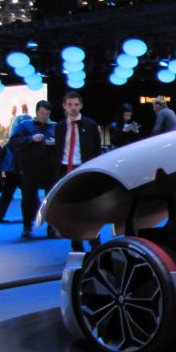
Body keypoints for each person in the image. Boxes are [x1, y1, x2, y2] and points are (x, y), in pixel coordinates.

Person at [54, 91, 103, 250]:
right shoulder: (60, 126)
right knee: (71, 209)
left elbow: (97, 150)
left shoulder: (90, 125)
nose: (73, 108)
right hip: (65, 170)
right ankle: (77, 246)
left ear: (81, 106)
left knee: (90, 208)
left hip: (84, 169)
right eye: (70, 105)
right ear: (64, 106)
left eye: (76, 104)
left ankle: (95, 244)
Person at [9, 100, 57, 238]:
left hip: (50, 168)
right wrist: (31, 139)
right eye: (42, 113)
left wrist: (56, 143)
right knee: (28, 198)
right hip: (30, 168)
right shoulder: (25, 125)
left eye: (47, 114)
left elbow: (64, 144)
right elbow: (13, 142)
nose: (45, 116)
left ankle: (52, 227)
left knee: (51, 199)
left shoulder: (55, 126)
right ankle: (27, 225)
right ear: (37, 112)